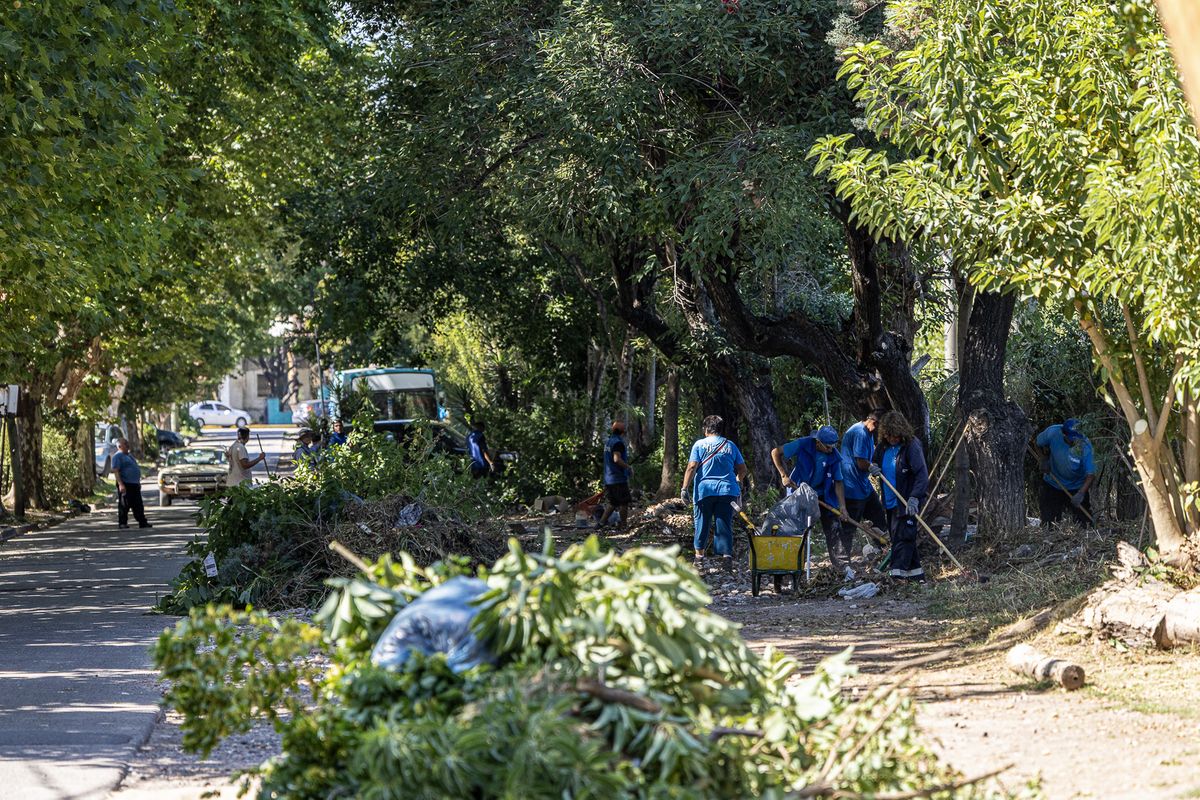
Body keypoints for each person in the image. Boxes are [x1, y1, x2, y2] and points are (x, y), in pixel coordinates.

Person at [770, 425, 852, 578]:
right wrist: (783, 475)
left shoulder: (834, 456)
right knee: (797, 531)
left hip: (823, 494)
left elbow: (838, 481)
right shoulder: (803, 444)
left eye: (833, 446)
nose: (831, 450)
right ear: (818, 442)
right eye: (828, 447)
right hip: (800, 491)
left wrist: (842, 507)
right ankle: (794, 570)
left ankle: (843, 566)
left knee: (834, 526)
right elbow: (775, 452)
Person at [680, 415, 749, 572]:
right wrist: (737, 480)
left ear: (706, 429)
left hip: (704, 491)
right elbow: (743, 469)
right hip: (727, 490)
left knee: (702, 523)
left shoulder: (699, 445)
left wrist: (684, 488)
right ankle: (726, 559)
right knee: (724, 522)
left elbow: (692, 467)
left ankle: (699, 560)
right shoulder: (730, 445)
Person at [873, 411, 928, 580]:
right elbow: (874, 461)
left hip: (907, 501)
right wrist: (873, 467)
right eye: (889, 435)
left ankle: (897, 575)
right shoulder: (883, 447)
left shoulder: (912, 446)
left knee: (904, 536)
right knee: (898, 536)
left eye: (895, 436)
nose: (892, 439)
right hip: (891, 502)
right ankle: (916, 575)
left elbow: (921, 475)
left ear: (902, 432)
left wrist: (914, 497)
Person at [840, 409, 886, 578]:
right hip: (852, 486)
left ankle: (883, 549)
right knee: (849, 526)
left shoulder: (868, 434)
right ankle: (843, 562)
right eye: (878, 426)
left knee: (878, 514)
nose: (879, 430)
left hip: (863, 485)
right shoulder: (860, 432)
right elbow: (860, 462)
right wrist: (871, 467)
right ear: (872, 421)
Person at [1034, 418, 1096, 527]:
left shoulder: (1086, 445)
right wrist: (1043, 459)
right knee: (1049, 525)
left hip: (1076, 487)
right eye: (1071, 439)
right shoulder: (1052, 432)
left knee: (1085, 525)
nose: (1074, 442)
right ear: (1064, 434)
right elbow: (1036, 443)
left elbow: (1090, 475)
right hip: (1053, 483)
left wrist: (1081, 493)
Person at [599, 420, 633, 529]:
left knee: (613, 502)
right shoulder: (618, 443)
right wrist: (628, 467)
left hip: (608, 478)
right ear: (623, 432)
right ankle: (624, 525)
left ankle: (601, 523)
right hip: (618, 478)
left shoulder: (609, 442)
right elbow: (616, 459)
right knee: (624, 502)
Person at [111, 438, 151, 530]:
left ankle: (142, 522)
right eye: (125, 444)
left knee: (138, 504)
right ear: (119, 446)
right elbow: (116, 471)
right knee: (124, 504)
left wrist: (137, 482)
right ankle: (122, 523)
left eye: (127, 443)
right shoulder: (117, 456)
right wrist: (120, 484)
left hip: (134, 484)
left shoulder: (129, 455)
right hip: (125, 483)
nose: (127, 445)